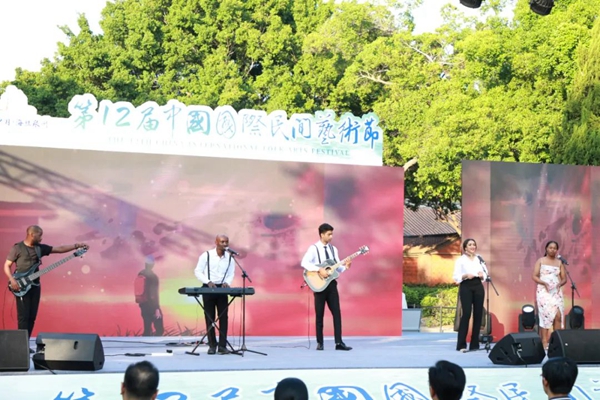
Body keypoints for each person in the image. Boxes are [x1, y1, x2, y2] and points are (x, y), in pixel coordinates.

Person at [3, 225, 89, 341]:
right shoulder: (17, 248)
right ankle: (21, 345)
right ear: (32, 235)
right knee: (23, 317)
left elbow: (59, 249)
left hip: (35, 286)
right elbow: (7, 265)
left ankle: (26, 343)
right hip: (21, 285)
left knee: (32, 317)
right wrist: (12, 280)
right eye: (39, 235)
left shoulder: (40, 248)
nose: (41, 238)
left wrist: (76, 246)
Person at [301, 223, 352, 351]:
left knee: (337, 313)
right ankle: (320, 343)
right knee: (319, 315)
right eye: (329, 234)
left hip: (332, 285)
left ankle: (339, 342)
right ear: (322, 234)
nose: (331, 236)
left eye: (332, 234)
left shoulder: (333, 249)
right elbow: (304, 262)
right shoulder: (314, 248)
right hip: (319, 284)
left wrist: (345, 267)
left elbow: (337, 268)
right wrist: (319, 269)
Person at [194, 234, 235, 355]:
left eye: (226, 242)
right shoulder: (206, 255)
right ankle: (212, 345)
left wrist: (227, 282)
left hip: (222, 289)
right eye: (222, 242)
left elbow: (231, 273)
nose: (225, 244)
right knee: (210, 317)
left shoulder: (230, 258)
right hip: (208, 288)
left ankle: (222, 346)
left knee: (223, 317)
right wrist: (208, 282)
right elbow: (198, 271)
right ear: (216, 242)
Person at [452, 238, 487, 352]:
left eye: (474, 245)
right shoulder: (461, 260)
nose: (473, 246)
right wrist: (466, 275)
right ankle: (461, 344)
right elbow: (456, 276)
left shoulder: (479, 258)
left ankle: (474, 344)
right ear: (465, 247)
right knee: (466, 314)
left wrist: (482, 275)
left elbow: (486, 273)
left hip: (478, 285)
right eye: (470, 245)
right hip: (466, 285)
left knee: (478, 314)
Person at [532, 240, 567, 350]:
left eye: (554, 248)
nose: (552, 250)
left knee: (558, 315)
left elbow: (564, 278)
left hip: (556, 292)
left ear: (557, 250)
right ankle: (544, 341)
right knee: (545, 316)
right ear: (546, 249)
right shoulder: (541, 261)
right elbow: (534, 276)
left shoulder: (559, 262)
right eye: (550, 247)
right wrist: (544, 283)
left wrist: (559, 284)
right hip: (544, 292)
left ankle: (556, 341)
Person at [135, 255, 164, 336]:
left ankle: (146, 342)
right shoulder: (153, 277)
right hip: (151, 305)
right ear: (152, 265)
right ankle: (156, 343)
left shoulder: (140, 274)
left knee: (147, 329)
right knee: (159, 329)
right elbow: (154, 293)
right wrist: (157, 308)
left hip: (142, 304)